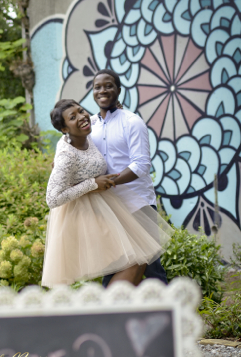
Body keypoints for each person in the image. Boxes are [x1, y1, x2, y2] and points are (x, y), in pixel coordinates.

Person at [41, 99, 174, 288]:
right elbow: (52, 199)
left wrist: (114, 110)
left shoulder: (86, 130)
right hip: (86, 215)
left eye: (81, 111)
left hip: (105, 207)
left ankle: (120, 310)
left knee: (140, 258)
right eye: (73, 117)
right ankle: (109, 310)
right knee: (135, 259)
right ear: (64, 129)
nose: (81, 117)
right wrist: (92, 184)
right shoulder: (66, 155)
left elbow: (95, 119)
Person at [90, 68, 169, 286]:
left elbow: (141, 165)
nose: (102, 90)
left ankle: (168, 315)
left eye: (108, 85)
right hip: (108, 207)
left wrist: (110, 182)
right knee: (113, 264)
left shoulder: (132, 122)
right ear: (93, 91)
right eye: (97, 87)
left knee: (152, 267)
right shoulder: (90, 126)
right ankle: (113, 315)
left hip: (137, 203)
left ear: (118, 90)